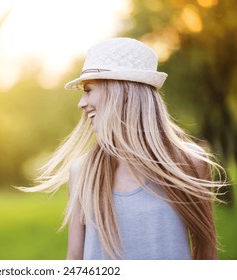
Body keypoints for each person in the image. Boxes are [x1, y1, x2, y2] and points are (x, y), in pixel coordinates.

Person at [18, 38, 227, 260]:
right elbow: (74, 260)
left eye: (88, 90)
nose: (81, 103)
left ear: (121, 92)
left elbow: (206, 254)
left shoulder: (190, 162)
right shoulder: (82, 172)